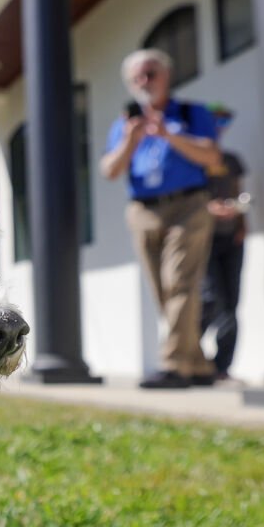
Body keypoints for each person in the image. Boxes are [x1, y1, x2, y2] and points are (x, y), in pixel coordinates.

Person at [98, 49, 222, 389]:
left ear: (167, 76)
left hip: (188, 206)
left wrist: (168, 134)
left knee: (179, 282)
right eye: (137, 77)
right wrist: (130, 140)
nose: (144, 82)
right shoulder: (124, 125)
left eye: (150, 73)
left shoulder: (190, 113)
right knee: (163, 292)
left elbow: (211, 155)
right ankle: (197, 363)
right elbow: (109, 169)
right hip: (143, 210)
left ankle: (173, 366)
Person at [201, 119, 248, 382]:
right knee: (209, 299)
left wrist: (241, 224)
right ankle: (190, 354)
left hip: (231, 239)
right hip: (204, 240)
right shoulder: (194, 161)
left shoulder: (231, 160)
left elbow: (239, 191)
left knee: (231, 303)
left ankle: (222, 367)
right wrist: (209, 210)